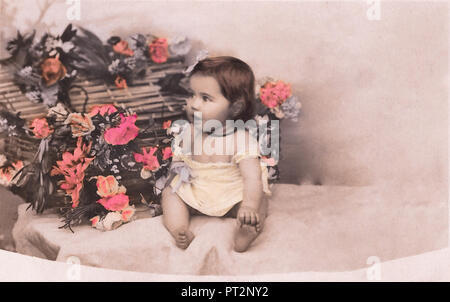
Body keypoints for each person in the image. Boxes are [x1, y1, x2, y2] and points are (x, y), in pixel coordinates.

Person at [161, 56, 271, 252]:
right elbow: (178, 164)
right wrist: (176, 174)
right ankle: (179, 228)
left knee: (259, 199)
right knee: (171, 193)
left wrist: (249, 206)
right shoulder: (189, 132)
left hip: (233, 197)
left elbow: (252, 178)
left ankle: (248, 228)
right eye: (192, 95)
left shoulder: (240, 138)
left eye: (205, 98)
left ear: (235, 107)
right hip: (198, 192)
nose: (194, 104)